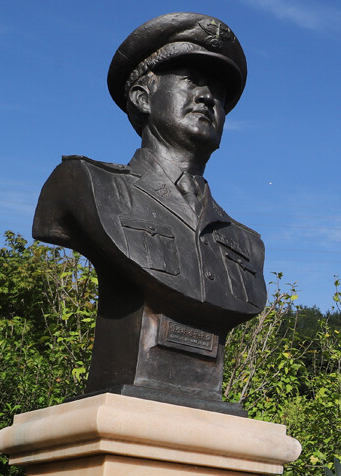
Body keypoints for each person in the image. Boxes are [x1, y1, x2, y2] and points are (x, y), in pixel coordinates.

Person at [32, 13, 265, 413]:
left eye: (218, 91)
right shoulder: (85, 184)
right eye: (191, 80)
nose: (208, 97)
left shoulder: (247, 243)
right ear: (143, 98)